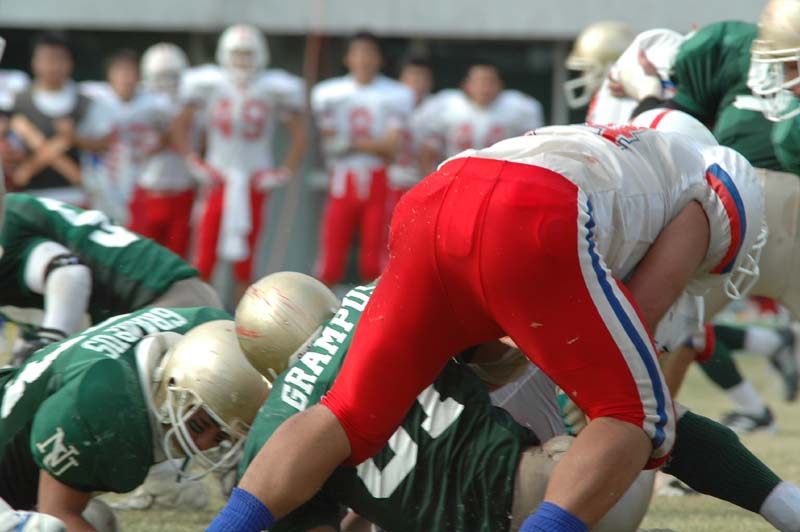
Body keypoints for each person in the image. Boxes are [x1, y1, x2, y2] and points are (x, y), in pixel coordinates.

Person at [208, 125, 765, 532]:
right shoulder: (707, 198)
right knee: (633, 414)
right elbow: (635, 325)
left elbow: (499, 346)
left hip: (437, 197)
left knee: (347, 413)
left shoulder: (624, 151)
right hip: (529, 211)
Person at [231, 273, 654, 532]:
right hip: (576, 483)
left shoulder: (275, 428)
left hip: (531, 501)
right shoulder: (379, 302)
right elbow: (501, 358)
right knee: (637, 416)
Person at [0, 307, 270, 530]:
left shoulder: (209, 333)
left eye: (220, 437)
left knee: (97, 519)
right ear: (172, 384)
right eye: (198, 424)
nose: (203, 444)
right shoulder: (105, 401)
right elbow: (58, 514)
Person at [0, 193, 221, 366]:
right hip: (174, 300)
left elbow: (69, 273)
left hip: (168, 301)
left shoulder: (9, 224)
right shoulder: (14, 212)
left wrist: (47, 347)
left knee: (79, 382)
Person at [173, 24, 307, 300]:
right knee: (205, 255)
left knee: (246, 263)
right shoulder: (212, 84)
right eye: (236, 54)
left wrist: (283, 171)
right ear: (224, 54)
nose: (242, 61)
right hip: (217, 178)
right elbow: (179, 125)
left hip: (253, 180)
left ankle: (241, 315)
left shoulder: (270, 87)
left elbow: (300, 134)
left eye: (248, 54)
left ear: (260, 55)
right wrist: (194, 161)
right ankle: (204, 313)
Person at [311, 31, 415, 286]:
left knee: (374, 262)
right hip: (342, 179)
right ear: (347, 58)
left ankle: (375, 310)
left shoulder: (396, 94)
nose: (363, 60)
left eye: (369, 53)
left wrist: (350, 143)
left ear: (379, 58)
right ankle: (323, 311)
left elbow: (390, 148)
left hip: (378, 179)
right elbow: (331, 144)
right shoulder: (329, 93)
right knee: (329, 263)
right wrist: (370, 145)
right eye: (358, 53)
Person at [4, 31, 112, 205]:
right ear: (34, 62)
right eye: (47, 59)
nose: (53, 66)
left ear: (70, 62)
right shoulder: (18, 102)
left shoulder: (85, 101)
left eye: (59, 59)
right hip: (30, 197)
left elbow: (103, 144)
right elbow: (11, 155)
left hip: (75, 196)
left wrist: (73, 139)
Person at [127, 42, 198, 257]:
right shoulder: (140, 106)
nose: (166, 83)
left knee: (177, 258)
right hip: (149, 189)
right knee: (143, 257)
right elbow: (143, 147)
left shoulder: (193, 106)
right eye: (160, 77)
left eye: (172, 76)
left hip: (182, 190)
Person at [417, 61, 543, 176]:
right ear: (466, 84)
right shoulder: (445, 105)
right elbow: (427, 152)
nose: (485, 88)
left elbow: (533, 152)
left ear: (500, 84)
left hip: (501, 177)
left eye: (490, 81)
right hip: (456, 177)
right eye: (479, 81)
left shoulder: (519, 107)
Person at [563, 21, 634, 112]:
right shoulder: (602, 103)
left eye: (589, 69)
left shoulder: (622, 108)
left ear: (610, 69)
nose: (582, 76)